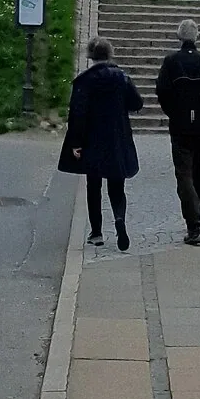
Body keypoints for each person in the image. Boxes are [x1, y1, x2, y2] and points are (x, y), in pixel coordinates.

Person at [57, 36, 142, 249]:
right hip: (117, 138)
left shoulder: (84, 81)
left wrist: (76, 143)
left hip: (92, 140)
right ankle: (120, 219)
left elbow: (77, 113)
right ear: (109, 54)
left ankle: (96, 232)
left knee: (93, 185)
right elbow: (137, 102)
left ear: (90, 57)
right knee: (117, 183)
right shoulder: (121, 77)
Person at [155, 17, 200, 245]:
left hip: (180, 126)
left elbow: (162, 92)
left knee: (184, 174)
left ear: (179, 37)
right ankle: (195, 217)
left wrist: (174, 113)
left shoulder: (171, 62)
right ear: (197, 37)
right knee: (199, 173)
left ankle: (193, 224)